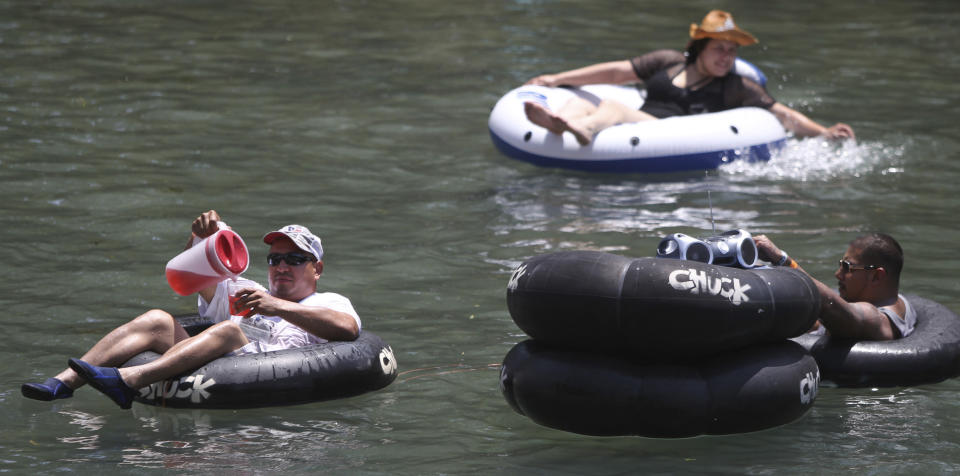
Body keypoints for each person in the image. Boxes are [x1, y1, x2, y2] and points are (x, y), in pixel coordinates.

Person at [21, 210, 360, 409]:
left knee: (231, 329)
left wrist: (278, 306)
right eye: (275, 258)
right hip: (213, 365)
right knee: (156, 319)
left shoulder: (328, 301)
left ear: (317, 268)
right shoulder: (245, 289)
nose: (282, 265)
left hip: (264, 372)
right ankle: (63, 383)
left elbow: (347, 329)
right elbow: (186, 274)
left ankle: (127, 381)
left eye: (295, 259)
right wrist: (201, 239)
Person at [523, 10, 855, 146]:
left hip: (663, 132)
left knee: (611, 105)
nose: (727, 57)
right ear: (699, 47)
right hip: (634, 118)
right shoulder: (668, 62)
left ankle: (585, 128)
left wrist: (823, 132)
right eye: (719, 49)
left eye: (731, 51)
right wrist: (555, 79)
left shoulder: (735, 86)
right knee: (581, 98)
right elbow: (615, 72)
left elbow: (782, 113)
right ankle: (560, 121)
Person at [754, 233, 915, 341]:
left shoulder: (875, 320)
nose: (838, 274)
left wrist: (782, 260)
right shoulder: (898, 302)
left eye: (847, 267)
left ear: (876, 276)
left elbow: (830, 304)